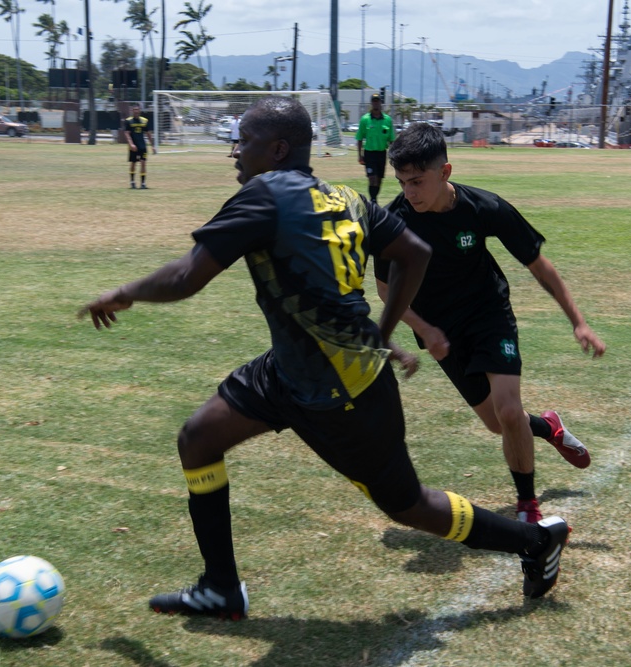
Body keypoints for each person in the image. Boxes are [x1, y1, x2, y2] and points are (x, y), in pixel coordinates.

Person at [79, 97, 571, 620]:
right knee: (198, 438)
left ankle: (534, 542)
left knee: (408, 505)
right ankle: (220, 587)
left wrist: (124, 292)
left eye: (244, 141)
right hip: (287, 371)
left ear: (277, 149)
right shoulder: (346, 197)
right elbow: (414, 253)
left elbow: (186, 276)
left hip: (343, 391)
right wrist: (381, 333)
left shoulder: (264, 195)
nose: (235, 152)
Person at [374, 122, 606, 525]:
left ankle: (527, 507)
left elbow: (539, 266)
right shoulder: (393, 221)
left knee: (509, 411)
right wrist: (425, 329)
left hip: (488, 314)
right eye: (402, 183)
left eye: (417, 181)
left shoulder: (483, 207)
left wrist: (579, 322)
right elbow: (384, 290)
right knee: (498, 424)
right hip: (440, 332)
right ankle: (549, 427)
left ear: (445, 172)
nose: (409, 193)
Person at [355, 93, 396, 205]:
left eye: (377, 101)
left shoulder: (387, 120)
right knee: (372, 178)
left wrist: (393, 155)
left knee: (379, 180)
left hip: (381, 154)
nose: (376, 103)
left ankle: (374, 199)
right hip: (369, 154)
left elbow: (391, 140)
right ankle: (373, 201)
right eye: (374, 101)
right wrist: (360, 155)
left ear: (380, 103)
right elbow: (359, 138)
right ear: (371, 103)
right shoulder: (365, 119)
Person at [123, 104, 155, 189]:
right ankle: (132, 182)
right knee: (133, 163)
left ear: (140, 110)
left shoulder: (144, 121)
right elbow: (127, 134)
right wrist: (131, 144)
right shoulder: (128, 121)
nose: (136, 111)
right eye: (134, 110)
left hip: (142, 146)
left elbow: (148, 134)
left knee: (143, 163)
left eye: (137, 109)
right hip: (133, 146)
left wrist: (152, 145)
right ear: (132, 111)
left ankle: (143, 184)